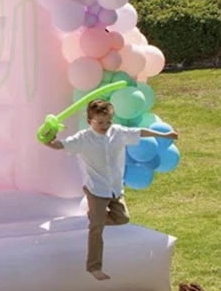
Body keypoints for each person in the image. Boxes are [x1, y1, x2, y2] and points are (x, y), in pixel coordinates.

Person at [43, 98, 178, 281]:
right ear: (90, 120)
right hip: (96, 189)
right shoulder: (82, 138)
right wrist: (48, 140)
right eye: (100, 122)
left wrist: (164, 135)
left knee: (123, 218)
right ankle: (94, 267)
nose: (104, 125)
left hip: (115, 187)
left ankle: (94, 217)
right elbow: (59, 145)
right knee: (96, 230)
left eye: (108, 121)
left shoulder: (118, 133)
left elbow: (140, 132)